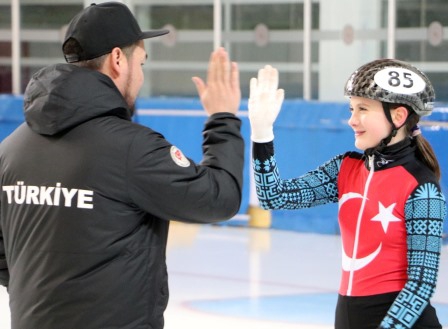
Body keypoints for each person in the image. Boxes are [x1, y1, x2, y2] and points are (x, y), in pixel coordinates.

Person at [0, 2, 243, 329]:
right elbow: (219, 198)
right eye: (141, 62)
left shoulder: (11, 149)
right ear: (118, 59)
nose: (141, 76)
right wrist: (223, 118)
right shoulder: (133, 149)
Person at [248, 60, 446, 328]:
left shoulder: (421, 188)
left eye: (362, 109)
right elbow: (274, 197)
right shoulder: (346, 168)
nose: (352, 119)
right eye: (351, 108)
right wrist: (262, 134)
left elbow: (420, 285)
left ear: (398, 116)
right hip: (348, 314)